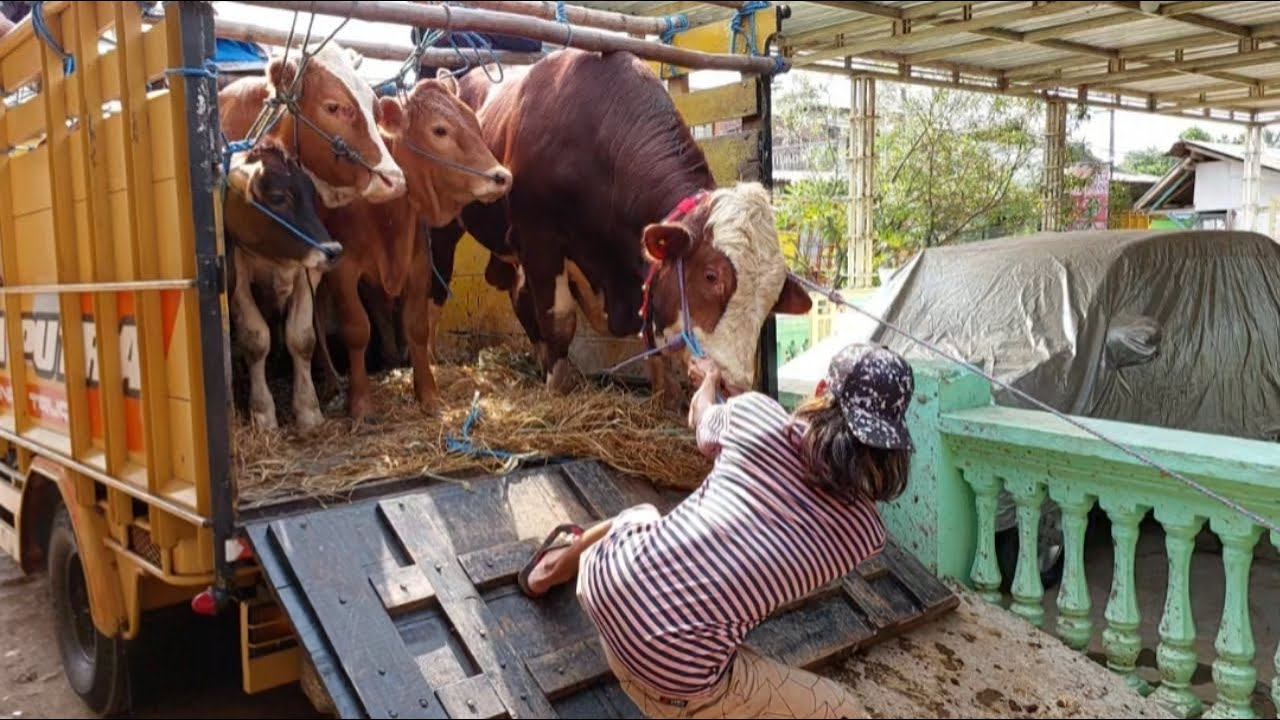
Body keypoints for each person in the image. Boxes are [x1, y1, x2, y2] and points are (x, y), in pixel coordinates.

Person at [518, 342, 917, 719]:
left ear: (819, 390)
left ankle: (551, 569)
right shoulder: (865, 534)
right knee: (842, 708)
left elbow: (701, 417)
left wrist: (709, 380)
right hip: (672, 684)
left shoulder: (754, 414)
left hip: (601, 588)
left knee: (641, 514)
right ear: (889, 443)